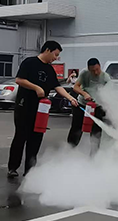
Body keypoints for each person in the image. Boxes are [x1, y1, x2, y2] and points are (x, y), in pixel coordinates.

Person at [8, 41, 78, 180]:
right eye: (55, 54)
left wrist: (70, 98)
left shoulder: (50, 69)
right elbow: (19, 80)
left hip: (41, 109)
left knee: (36, 138)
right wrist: (36, 88)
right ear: (47, 50)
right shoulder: (29, 62)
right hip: (24, 106)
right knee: (21, 136)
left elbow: (57, 86)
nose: (56, 58)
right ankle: (13, 167)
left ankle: (30, 170)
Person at [67, 58, 111, 149]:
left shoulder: (105, 77)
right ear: (88, 69)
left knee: (96, 130)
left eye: (97, 69)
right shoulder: (84, 73)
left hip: (97, 106)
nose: (95, 72)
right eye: (92, 71)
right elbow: (76, 87)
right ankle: (69, 149)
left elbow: (110, 93)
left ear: (100, 66)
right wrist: (84, 94)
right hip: (82, 104)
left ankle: (94, 152)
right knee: (76, 127)